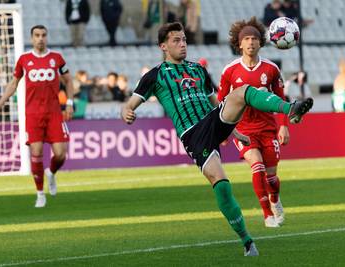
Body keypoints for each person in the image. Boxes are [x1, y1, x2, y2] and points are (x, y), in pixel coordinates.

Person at [121, 22, 313, 256]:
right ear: (163, 46)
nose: (182, 44)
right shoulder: (155, 76)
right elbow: (130, 104)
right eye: (176, 41)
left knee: (242, 92)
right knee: (221, 183)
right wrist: (127, 112)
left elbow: (217, 104)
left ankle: (290, 108)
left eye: (184, 39)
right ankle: (247, 241)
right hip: (193, 134)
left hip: (213, 121)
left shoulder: (199, 70)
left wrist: (232, 130)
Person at [218, 17, 296, 228]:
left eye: (254, 38)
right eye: (247, 39)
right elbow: (221, 102)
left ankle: (275, 200)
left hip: (268, 128)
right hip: (243, 129)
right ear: (239, 43)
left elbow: (281, 100)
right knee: (257, 166)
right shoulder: (230, 71)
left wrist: (283, 125)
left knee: (271, 178)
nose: (251, 42)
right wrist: (222, 131)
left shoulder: (271, 69)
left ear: (261, 42)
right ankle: (266, 215)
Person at [0, 25, 74, 208]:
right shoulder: (24, 59)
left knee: (60, 154)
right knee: (36, 153)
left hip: (54, 114)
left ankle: (51, 172)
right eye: (37, 35)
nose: (40, 38)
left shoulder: (57, 58)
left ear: (47, 37)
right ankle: (40, 193)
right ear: (31, 38)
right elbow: (13, 84)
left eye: (43, 35)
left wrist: (70, 103)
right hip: (33, 114)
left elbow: (68, 80)